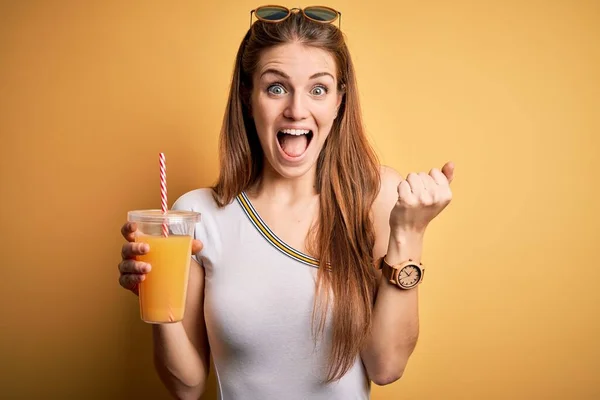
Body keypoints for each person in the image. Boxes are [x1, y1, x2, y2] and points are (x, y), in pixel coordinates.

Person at [118, 6, 454, 400]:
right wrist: (156, 293)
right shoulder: (198, 215)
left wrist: (409, 234)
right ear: (248, 97)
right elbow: (187, 386)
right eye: (276, 87)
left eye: (318, 89)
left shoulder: (378, 196)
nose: (296, 109)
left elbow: (387, 367)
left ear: (339, 101)